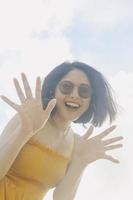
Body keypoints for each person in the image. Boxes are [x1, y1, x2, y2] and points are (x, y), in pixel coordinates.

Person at [0, 61, 123, 200]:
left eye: (84, 91)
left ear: (91, 101)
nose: (75, 95)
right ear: (54, 90)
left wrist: (80, 162)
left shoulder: (77, 144)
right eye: (66, 87)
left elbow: (61, 198)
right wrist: (24, 132)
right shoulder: (30, 118)